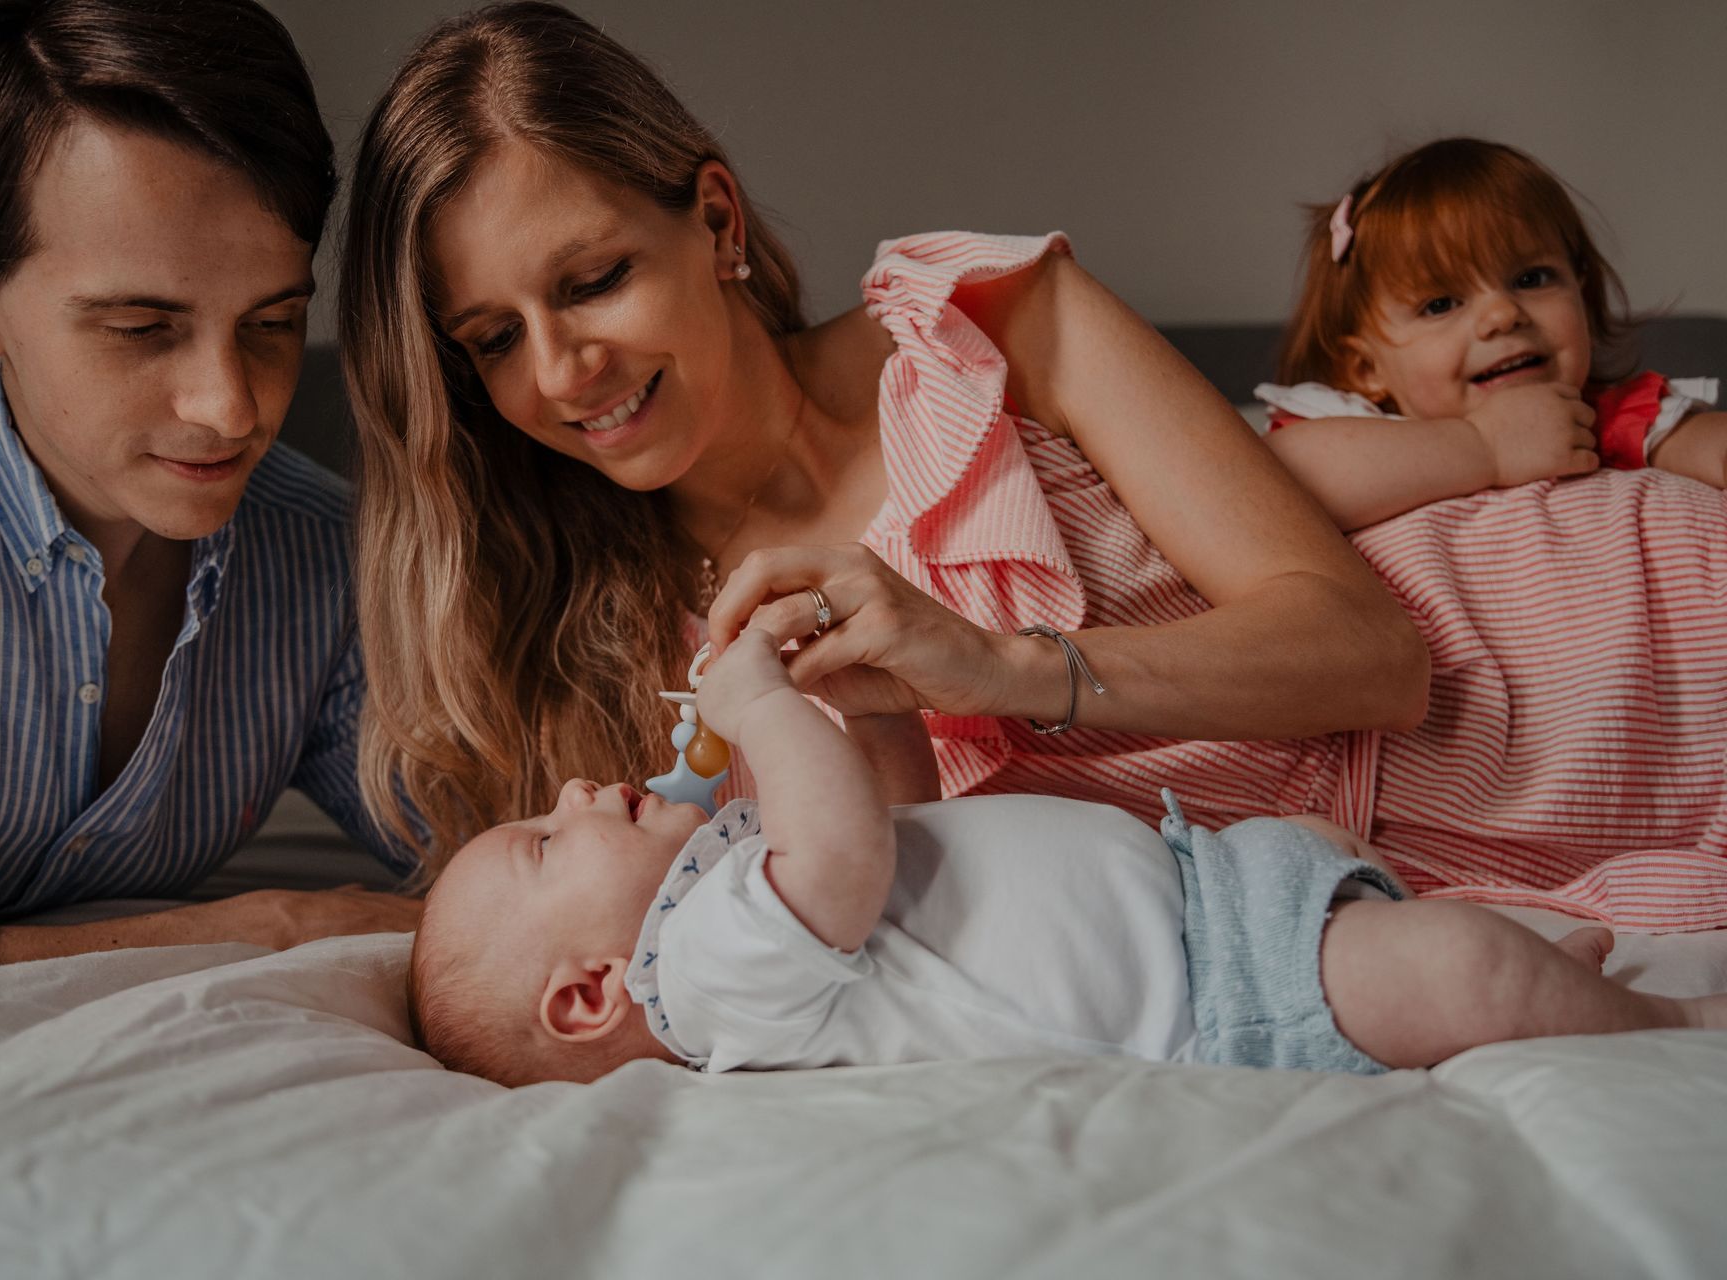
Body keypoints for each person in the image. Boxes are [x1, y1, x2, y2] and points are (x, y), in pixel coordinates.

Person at [344, 2, 1726, 931]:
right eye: (491, 341)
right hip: (1462, 897)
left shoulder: (984, 324)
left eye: (591, 281)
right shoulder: (623, 664)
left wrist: (999, 671)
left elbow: (1370, 652)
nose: (561, 369)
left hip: (1602, 632)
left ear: (713, 220)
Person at [0, 0, 422, 1001]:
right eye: (142, 326)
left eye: (272, 321)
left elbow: (491, 838)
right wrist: (251, 931)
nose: (232, 408)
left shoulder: (328, 556)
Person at [407, 622, 1712, 1087]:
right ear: (588, 995)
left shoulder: (729, 897)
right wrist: (755, 712)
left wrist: (874, 707)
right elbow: (849, 860)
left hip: (1210, 881)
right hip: (1218, 994)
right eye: (539, 840)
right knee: (1463, 975)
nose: (574, 789)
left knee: (1384, 896)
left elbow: (904, 822)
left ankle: (1551, 987)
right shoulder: (696, 979)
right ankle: (1646, 1018)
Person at [1254, 136, 1724, 532]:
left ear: (1581, 288)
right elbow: (1273, 486)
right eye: (1440, 304)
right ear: (1366, 368)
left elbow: (1704, 445)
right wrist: (1484, 447)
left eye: (1532, 279)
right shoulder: (1345, 430)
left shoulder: (1594, 420)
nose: (1502, 315)